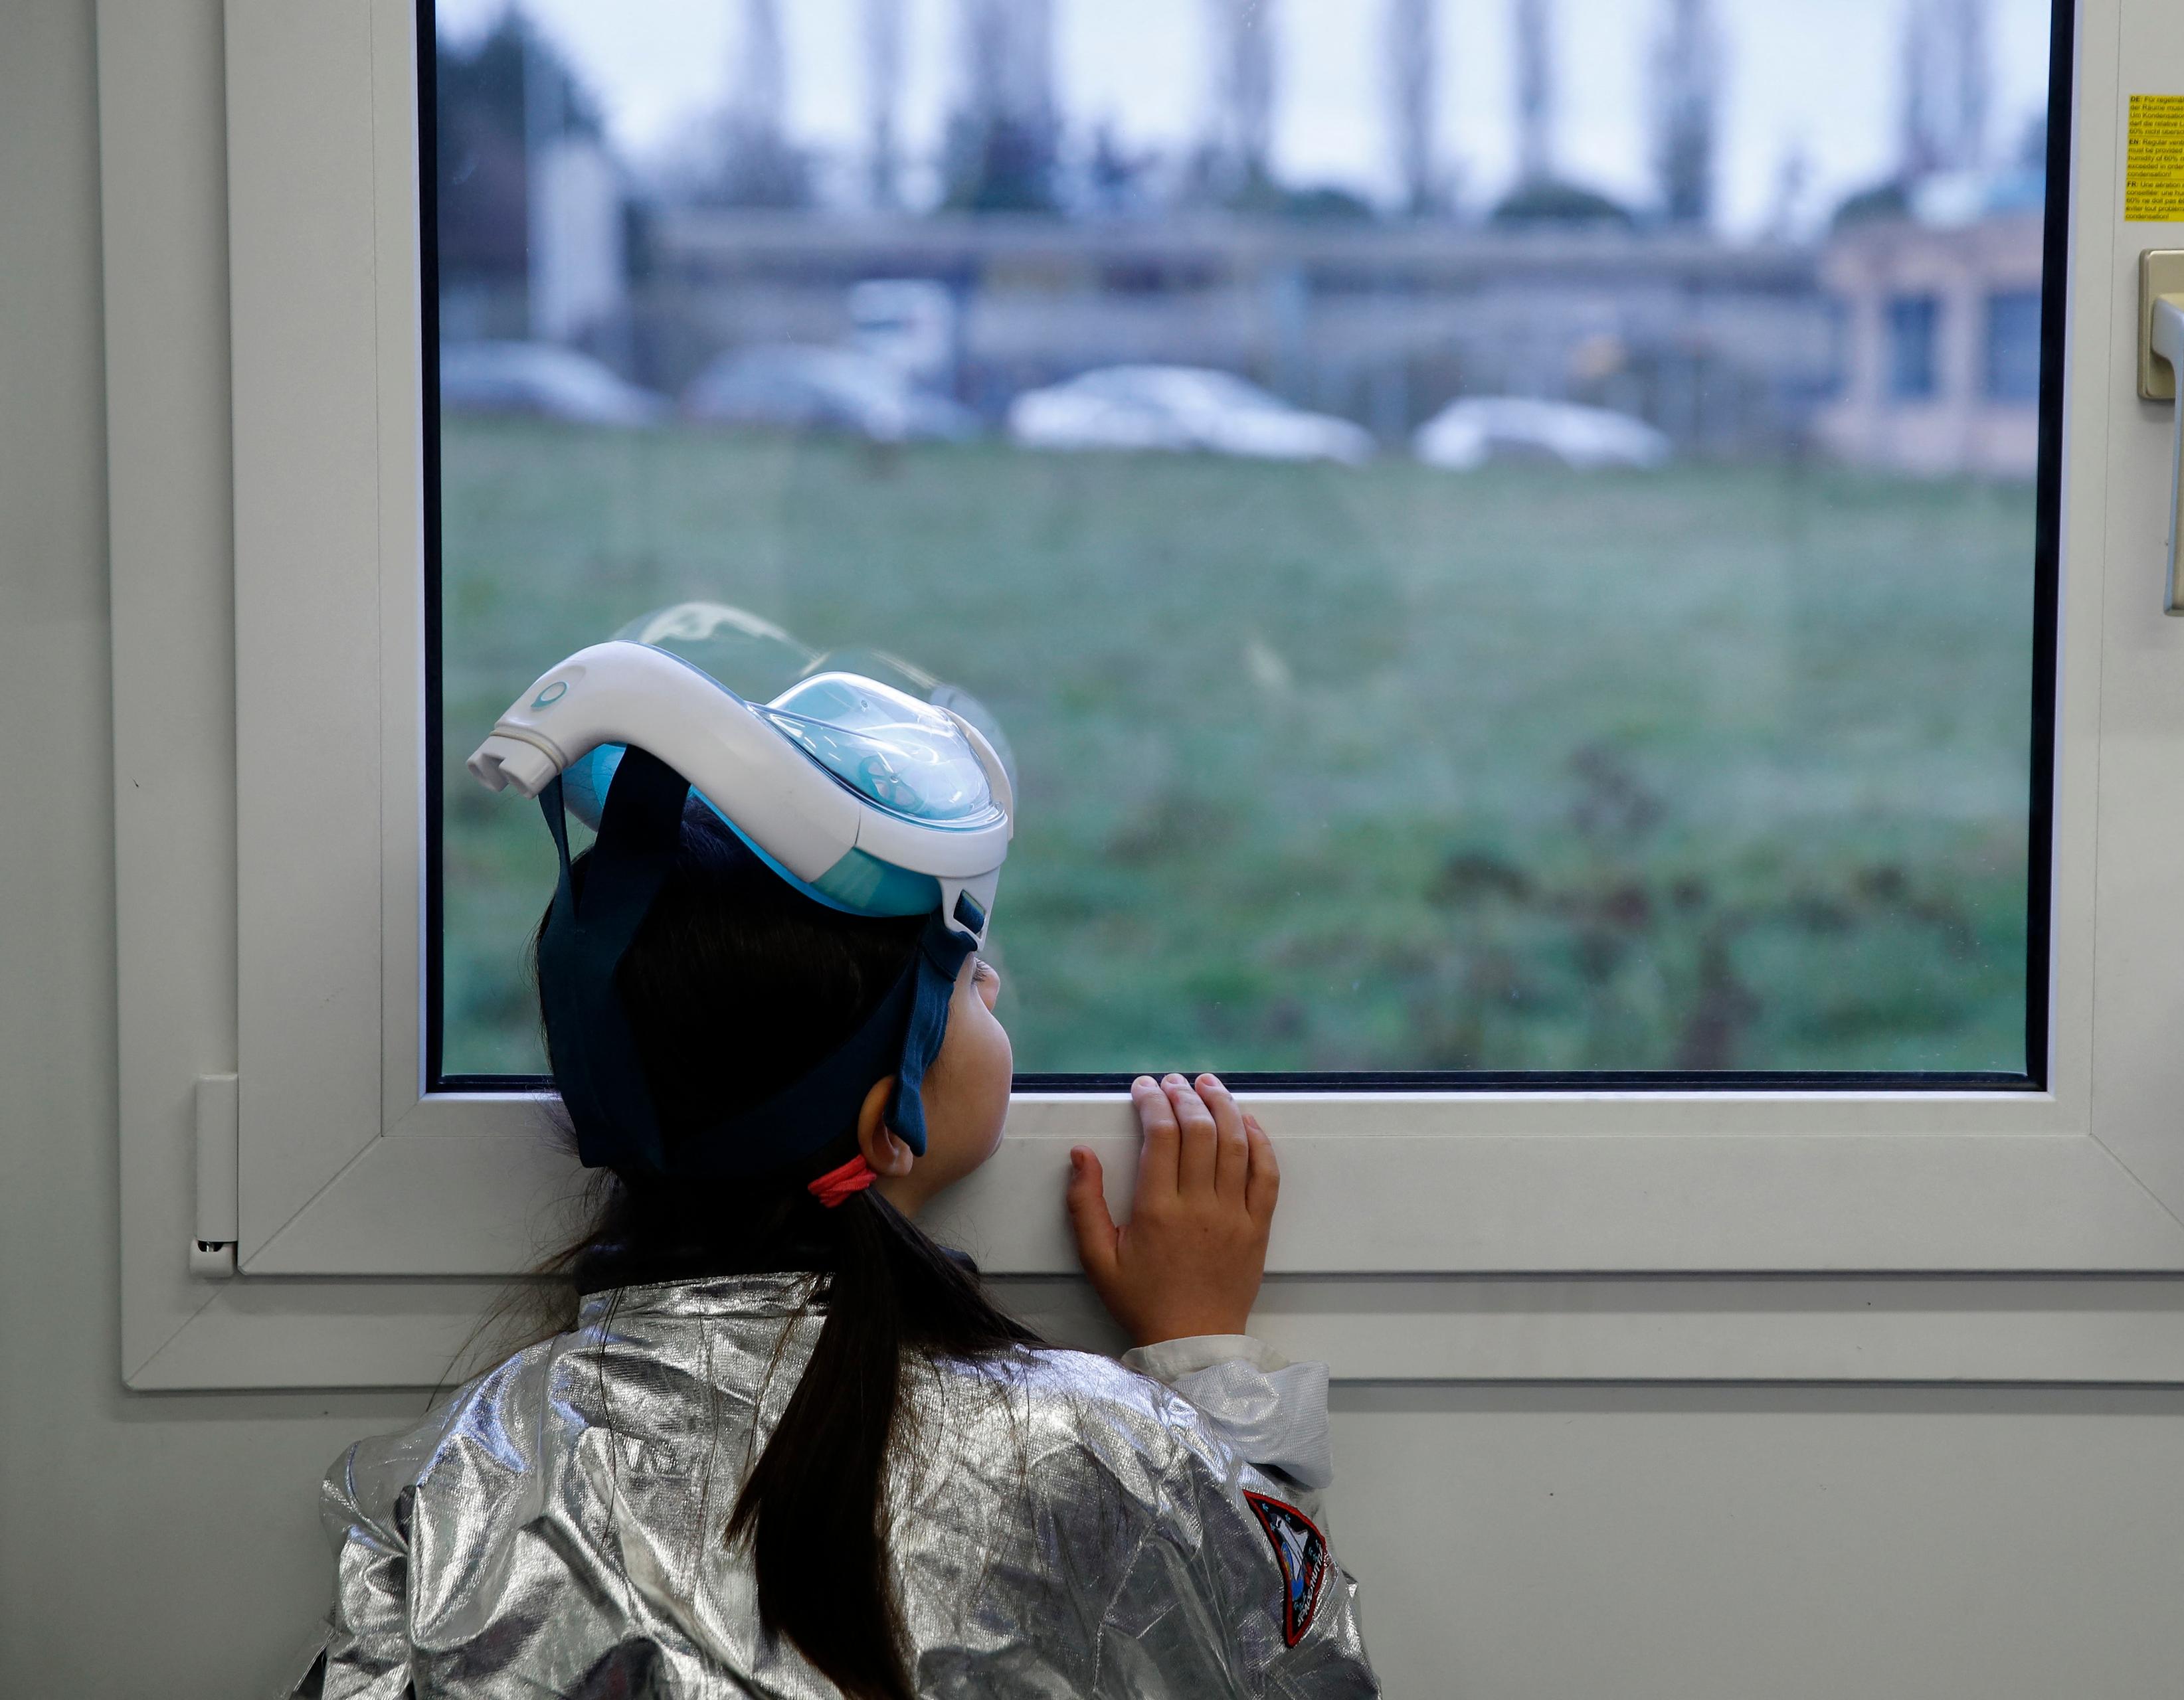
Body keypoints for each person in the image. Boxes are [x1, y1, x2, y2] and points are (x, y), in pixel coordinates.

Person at [283, 643, 1377, 1699]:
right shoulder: (1090, 1453)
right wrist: (1208, 1364)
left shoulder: (475, 1471)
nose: (992, 983)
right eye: (957, 977)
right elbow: (1291, 1667)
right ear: (886, 1124)